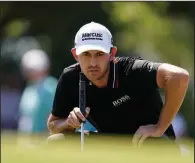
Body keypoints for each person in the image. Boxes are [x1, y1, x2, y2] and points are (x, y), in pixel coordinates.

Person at [47, 22, 189, 148]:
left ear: (112, 53)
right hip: (109, 144)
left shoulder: (132, 70)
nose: (93, 63)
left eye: (99, 54)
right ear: (75, 55)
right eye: (86, 54)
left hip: (148, 142)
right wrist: (69, 122)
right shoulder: (70, 77)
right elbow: (53, 125)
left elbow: (179, 77)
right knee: (55, 141)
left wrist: (159, 128)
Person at [18, 49, 57, 137]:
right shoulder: (30, 87)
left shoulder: (50, 87)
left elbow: (53, 116)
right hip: (26, 138)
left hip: (42, 139)